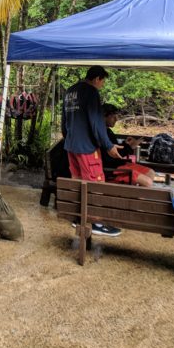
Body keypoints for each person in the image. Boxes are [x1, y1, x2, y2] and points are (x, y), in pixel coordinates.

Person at [61, 66, 122, 237]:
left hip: (71, 146)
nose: (102, 85)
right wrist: (108, 145)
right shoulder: (91, 92)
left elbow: (64, 121)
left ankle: (78, 218)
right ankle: (95, 222)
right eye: (103, 81)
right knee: (95, 183)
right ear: (97, 79)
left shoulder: (70, 91)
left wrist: (69, 138)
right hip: (87, 148)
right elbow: (96, 122)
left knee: (78, 182)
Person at [101, 105, 155, 187]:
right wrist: (130, 147)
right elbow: (114, 155)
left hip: (119, 164)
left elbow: (115, 148)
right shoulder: (100, 133)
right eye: (113, 117)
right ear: (105, 116)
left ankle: (135, 196)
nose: (116, 119)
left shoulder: (108, 131)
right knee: (147, 182)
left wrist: (126, 144)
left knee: (150, 172)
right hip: (112, 169)